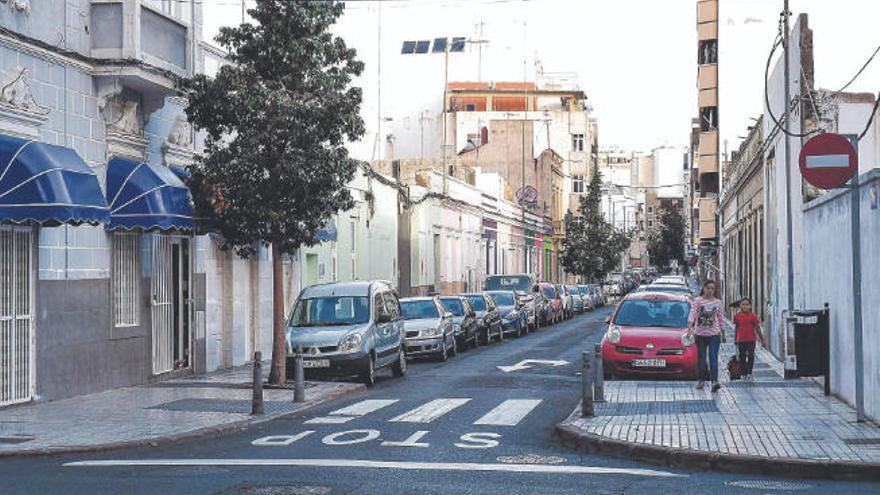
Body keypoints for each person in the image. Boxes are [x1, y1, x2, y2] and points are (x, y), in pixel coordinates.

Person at [687, 280, 726, 392]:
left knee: (713, 358)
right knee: (702, 358)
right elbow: (692, 313)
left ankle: (714, 381)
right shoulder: (698, 301)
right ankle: (701, 379)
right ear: (703, 288)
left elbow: (720, 318)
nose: (710, 290)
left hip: (714, 335)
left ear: (714, 290)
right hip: (700, 335)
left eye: (712, 288)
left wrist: (723, 333)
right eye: (708, 288)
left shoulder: (718, 302)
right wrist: (690, 327)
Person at [733, 297, 764, 382]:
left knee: (751, 356)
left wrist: (762, 339)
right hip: (741, 340)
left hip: (751, 339)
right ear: (740, 306)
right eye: (743, 304)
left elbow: (757, 328)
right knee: (742, 357)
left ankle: (749, 373)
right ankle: (744, 374)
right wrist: (735, 339)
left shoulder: (753, 316)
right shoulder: (737, 316)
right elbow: (736, 328)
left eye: (747, 304)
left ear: (750, 306)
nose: (745, 306)